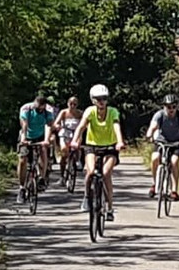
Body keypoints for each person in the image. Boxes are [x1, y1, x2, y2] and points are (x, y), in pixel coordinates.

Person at [70, 84, 125, 220]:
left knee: (106, 173)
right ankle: (87, 196)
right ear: (93, 100)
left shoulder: (112, 112)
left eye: (104, 98)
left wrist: (120, 142)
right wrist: (75, 140)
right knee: (90, 171)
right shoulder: (90, 111)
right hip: (92, 147)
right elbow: (81, 127)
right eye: (98, 99)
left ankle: (110, 207)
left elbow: (116, 126)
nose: (102, 101)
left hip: (110, 147)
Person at [147, 93, 179, 199]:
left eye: (174, 106)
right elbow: (153, 126)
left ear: (177, 107)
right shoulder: (159, 115)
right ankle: (155, 183)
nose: (171, 109)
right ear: (164, 106)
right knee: (155, 158)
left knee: (174, 161)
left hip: (176, 143)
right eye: (168, 107)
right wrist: (149, 135)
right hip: (161, 142)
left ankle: (174, 190)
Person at [16, 94, 54, 205]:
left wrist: (46, 140)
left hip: (40, 136)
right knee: (23, 159)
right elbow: (24, 124)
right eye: (37, 108)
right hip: (27, 135)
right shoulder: (26, 109)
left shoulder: (48, 111)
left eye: (41, 108)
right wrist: (24, 139)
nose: (39, 110)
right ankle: (22, 188)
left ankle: (42, 177)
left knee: (43, 150)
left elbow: (48, 125)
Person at [53, 95, 84, 180]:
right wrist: (57, 126)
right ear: (68, 104)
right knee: (64, 151)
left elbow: (85, 123)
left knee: (77, 145)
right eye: (71, 104)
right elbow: (56, 122)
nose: (72, 106)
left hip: (76, 133)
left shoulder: (80, 113)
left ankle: (77, 160)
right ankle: (62, 175)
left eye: (75, 104)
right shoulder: (64, 112)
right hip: (65, 133)